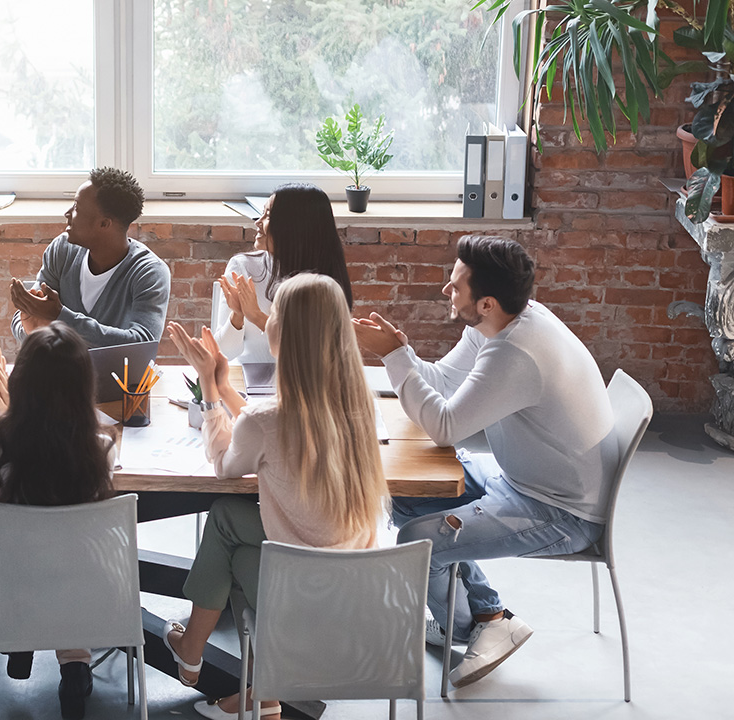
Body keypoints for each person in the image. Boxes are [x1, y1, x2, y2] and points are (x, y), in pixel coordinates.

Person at [352, 235, 615, 689]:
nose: (444, 291)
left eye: (455, 287)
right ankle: (490, 615)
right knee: (408, 495)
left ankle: (463, 627)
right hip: (522, 480)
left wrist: (392, 357)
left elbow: (445, 426)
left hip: (561, 510)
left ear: (487, 302)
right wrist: (402, 351)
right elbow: (444, 381)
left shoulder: (516, 354)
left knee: (418, 542)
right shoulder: (502, 323)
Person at [162, 273, 387, 720]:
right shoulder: (358, 403)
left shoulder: (270, 418)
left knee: (228, 524)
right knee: (231, 519)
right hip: (358, 583)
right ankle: (255, 694)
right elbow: (278, 431)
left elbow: (226, 465)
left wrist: (208, 386)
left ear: (282, 331)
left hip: (300, 581)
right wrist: (227, 388)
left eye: (274, 313)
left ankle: (220, 668)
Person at [0, 323, 117, 720]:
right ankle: (75, 666)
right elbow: (72, 440)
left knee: (31, 557)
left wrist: (1, 409)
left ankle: (22, 642)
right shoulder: (102, 450)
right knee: (71, 559)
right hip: (90, 595)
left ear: (19, 382)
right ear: (84, 389)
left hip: (15, 593)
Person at [9, 167, 170, 348]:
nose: (67, 214)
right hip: (60, 375)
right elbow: (26, 319)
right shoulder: (62, 249)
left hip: (117, 377)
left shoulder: (149, 272)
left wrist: (60, 317)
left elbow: (142, 344)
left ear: (104, 223)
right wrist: (32, 327)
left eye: (77, 207)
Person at [214, 184, 353, 365]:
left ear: (296, 226)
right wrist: (237, 316)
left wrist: (257, 316)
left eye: (268, 215)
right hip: (251, 386)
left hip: (307, 385)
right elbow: (222, 354)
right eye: (262, 212)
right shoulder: (243, 268)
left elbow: (314, 356)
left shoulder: (323, 284)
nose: (258, 222)